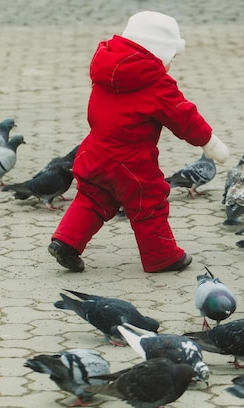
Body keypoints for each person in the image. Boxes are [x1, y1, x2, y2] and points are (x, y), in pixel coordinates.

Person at [48, 11, 230, 273]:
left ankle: (66, 241)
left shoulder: (106, 68)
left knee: (92, 197)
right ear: (157, 52)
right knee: (149, 201)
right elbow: (183, 115)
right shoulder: (155, 83)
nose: (169, 65)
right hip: (130, 159)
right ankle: (162, 257)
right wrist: (209, 142)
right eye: (169, 58)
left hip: (94, 149)